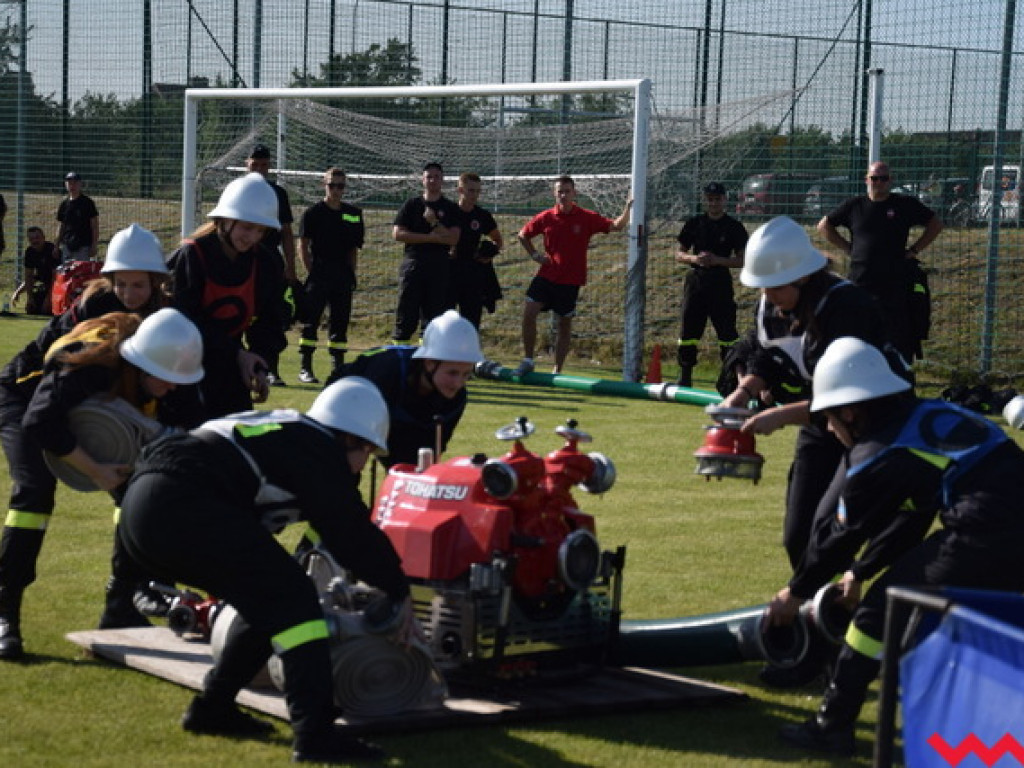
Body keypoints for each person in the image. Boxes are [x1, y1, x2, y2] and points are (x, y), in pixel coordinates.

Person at [118, 377, 416, 764]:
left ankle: (214, 708)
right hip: (183, 503)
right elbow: (351, 533)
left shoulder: (289, 431)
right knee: (296, 600)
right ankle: (316, 735)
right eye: (369, 451)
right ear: (352, 439)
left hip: (144, 506)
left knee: (266, 598)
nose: (364, 464)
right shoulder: (319, 449)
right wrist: (398, 589)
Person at [767, 337, 1024, 756]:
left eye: (830, 418)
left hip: (985, 530)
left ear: (850, 410)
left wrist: (793, 594)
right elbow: (912, 517)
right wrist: (860, 572)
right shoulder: (926, 414)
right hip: (1004, 521)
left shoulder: (876, 454)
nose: (830, 429)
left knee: (876, 617)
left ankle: (831, 726)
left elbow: (839, 538)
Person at [717, 216, 909, 687]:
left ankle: (837, 653)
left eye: (775, 288)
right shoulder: (774, 303)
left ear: (802, 275)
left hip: (875, 427)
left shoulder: (849, 306)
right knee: (798, 534)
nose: (767, 298)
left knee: (835, 532)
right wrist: (744, 390)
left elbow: (848, 396)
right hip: (822, 422)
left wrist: (780, 416)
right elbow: (762, 351)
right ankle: (824, 640)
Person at [0, 224, 173, 659]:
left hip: (79, 403)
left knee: (134, 491)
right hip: (25, 398)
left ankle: (121, 603)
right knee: (34, 493)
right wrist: (94, 469)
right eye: (123, 283)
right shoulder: (94, 309)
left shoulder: (160, 315)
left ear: (156, 283)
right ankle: (5, 613)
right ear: (109, 280)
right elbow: (44, 414)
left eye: (141, 283)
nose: (131, 292)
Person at [167, 172, 288, 420]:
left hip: (230, 367)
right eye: (246, 227)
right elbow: (183, 320)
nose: (252, 237)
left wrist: (259, 363)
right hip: (182, 368)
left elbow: (271, 319)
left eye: (260, 230)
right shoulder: (192, 255)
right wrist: (237, 354)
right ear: (224, 220)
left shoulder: (265, 263)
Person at [818, 161, 943, 362]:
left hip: (895, 285)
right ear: (866, 180)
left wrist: (914, 250)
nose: (879, 183)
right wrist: (848, 247)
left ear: (890, 180)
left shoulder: (904, 204)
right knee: (859, 333)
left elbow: (935, 224)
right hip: (861, 281)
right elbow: (824, 226)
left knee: (898, 337)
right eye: (875, 178)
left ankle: (899, 375)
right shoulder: (855, 206)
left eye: (883, 178)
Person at [325, 309, 482, 469]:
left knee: (412, 468)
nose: (458, 383)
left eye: (466, 374)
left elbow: (432, 454)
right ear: (429, 363)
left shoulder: (457, 398)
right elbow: (363, 437)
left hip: (400, 408)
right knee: (346, 464)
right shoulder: (387, 374)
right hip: (348, 398)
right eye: (452, 373)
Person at [513, 175, 632, 375]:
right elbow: (523, 234)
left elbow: (616, 226)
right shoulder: (546, 217)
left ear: (574, 193)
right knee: (529, 312)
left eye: (567, 191)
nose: (563, 195)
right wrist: (534, 254)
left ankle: (557, 369)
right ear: (554, 193)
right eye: (560, 191)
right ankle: (528, 360)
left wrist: (628, 208)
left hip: (570, 281)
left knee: (564, 324)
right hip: (547, 275)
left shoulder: (586, 217)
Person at [673, 181, 748, 387]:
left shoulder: (734, 227)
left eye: (717, 199)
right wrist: (695, 259)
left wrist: (718, 260)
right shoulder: (694, 223)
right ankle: (685, 375)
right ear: (704, 200)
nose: (714, 203)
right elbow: (679, 253)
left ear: (725, 200)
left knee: (726, 332)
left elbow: (742, 260)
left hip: (720, 281)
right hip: (696, 280)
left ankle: (729, 377)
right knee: (689, 328)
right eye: (710, 199)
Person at [296, 167, 364, 384]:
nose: (336, 190)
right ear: (323, 185)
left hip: (342, 274)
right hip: (320, 272)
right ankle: (305, 367)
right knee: (311, 320)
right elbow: (303, 245)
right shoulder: (313, 213)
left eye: (340, 186)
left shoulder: (353, 213)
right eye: (332, 185)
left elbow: (353, 247)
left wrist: (351, 274)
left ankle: (338, 368)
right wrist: (312, 272)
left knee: (340, 322)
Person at [391, 162, 461, 343]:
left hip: (439, 265)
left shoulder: (451, 208)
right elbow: (398, 234)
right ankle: (401, 361)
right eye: (429, 177)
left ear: (442, 180)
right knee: (406, 314)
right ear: (422, 180)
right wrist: (431, 238)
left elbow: (453, 239)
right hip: (413, 263)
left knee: (433, 318)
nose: (433, 180)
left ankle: (427, 362)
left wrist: (434, 223)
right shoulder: (412, 204)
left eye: (437, 176)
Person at [245, 145, 296, 387]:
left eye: (264, 165)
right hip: (242, 260)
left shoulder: (277, 193)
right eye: (255, 164)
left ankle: (270, 368)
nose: (260, 169)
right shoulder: (238, 191)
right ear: (247, 164)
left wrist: (290, 266)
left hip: (269, 264)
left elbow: (286, 232)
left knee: (271, 317)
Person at [449, 172, 503, 329]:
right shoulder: (449, 212)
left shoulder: (482, 216)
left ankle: (468, 351)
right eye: (471, 190)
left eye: (478, 191)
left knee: (471, 320)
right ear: (460, 190)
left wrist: (490, 254)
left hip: (473, 271)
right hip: (450, 270)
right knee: (446, 318)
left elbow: (498, 240)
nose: (475, 195)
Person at [11, 227, 61, 316]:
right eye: (31, 239)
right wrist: (22, 294)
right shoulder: (30, 252)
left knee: (47, 311)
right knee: (31, 310)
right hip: (44, 285)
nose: (35, 241)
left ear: (43, 237)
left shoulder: (52, 251)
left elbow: (56, 278)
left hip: (57, 286)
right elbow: (29, 277)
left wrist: (48, 299)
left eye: (37, 237)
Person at [55, 171, 100, 263]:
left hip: (83, 246)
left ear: (80, 184)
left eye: (75, 183)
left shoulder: (88, 203)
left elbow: (94, 226)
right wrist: (56, 245)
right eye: (69, 183)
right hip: (67, 245)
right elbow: (61, 226)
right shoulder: (64, 204)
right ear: (65, 185)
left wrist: (94, 245)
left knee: (81, 273)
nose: (72, 186)